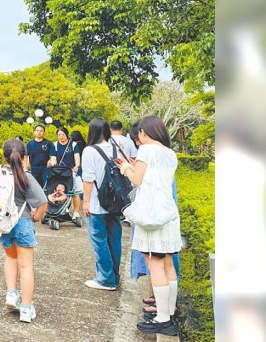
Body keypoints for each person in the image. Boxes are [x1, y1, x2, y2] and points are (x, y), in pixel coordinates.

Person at [117, 116, 182, 336]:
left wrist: (126, 167)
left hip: (151, 214)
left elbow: (137, 180)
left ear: (144, 132)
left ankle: (162, 319)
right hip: (167, 212)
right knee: (167, 263)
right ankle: (168, 312)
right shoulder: (170, 153)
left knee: (155, 264)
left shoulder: (146, 150)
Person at [0, 139, 50, 323]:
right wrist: (36, 217)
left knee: (11, 258)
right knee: (26, 266)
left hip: (4, 224)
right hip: (23, 223)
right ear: (24, 157)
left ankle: (12, 294)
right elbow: (43, 202)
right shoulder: (26, 177)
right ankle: (26, 309)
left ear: (4, 156)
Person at [80, 118, 123, 291]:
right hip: (115, 202)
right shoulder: (115, 148)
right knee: (114, 240)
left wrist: (86, 202)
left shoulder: (89, 150)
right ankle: (115, 276)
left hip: (97, 204)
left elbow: (88, 179)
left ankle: (105, 279)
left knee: (99, 241)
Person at [50, 126, 82, 220]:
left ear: (67, 135)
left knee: (75, 193)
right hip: (59, 173)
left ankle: (76, 212)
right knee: (61, 191)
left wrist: (76, 166)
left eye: (63, 134)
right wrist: (54, 166)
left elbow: (77, 157)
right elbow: (53, 158)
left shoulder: (73, 144)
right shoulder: (55, 145)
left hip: (72, 172)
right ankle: (63, 210)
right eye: (59, 135)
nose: (61, 136)